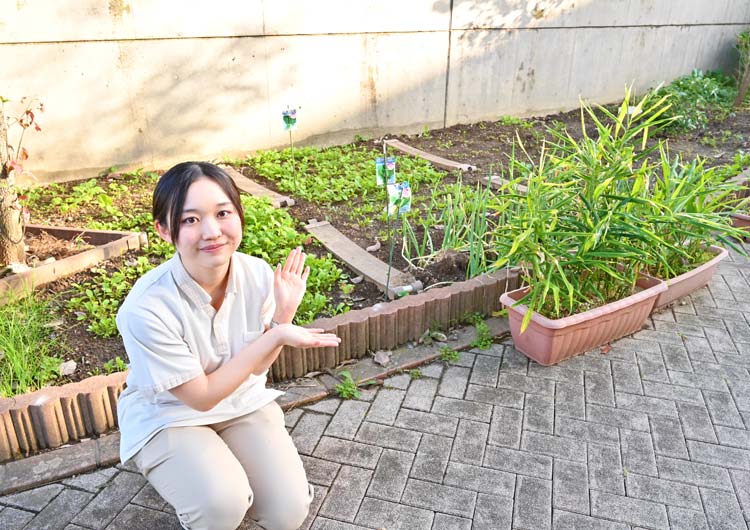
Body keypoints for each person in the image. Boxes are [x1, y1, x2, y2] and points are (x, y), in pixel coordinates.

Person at [115, 161, 340, 530]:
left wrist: (281, 318)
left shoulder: (256, 274)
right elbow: (200, 397)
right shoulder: (146, 308)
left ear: (238, 214)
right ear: (163, 229)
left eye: (223, 212)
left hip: (240, 404)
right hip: (171, 415)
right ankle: (189, 479)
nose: (212, 231)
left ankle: (210, 469)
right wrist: (278, 334)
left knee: (287, 511)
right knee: (221, 504)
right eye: (190, 220)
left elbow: (256, 368)